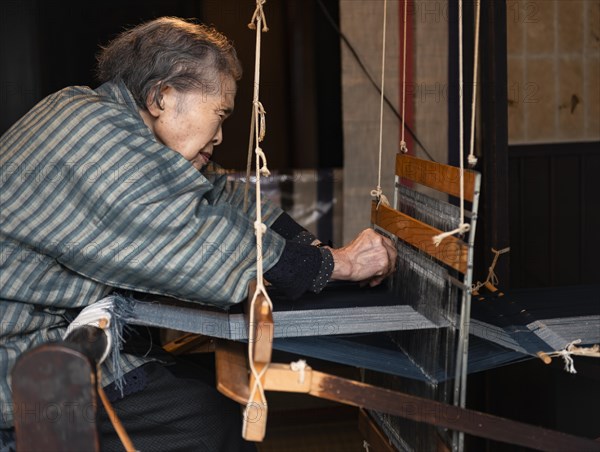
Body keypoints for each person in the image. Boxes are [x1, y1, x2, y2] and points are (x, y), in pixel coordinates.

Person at [0, 17, 396, 451]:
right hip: (23, 360)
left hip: (59, 340)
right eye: (220, 114)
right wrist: (341, 265)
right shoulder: (92, 136)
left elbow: (222, 196)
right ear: (163, 97)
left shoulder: (102, 119)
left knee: (206, 394)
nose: (221, 135)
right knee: (207, 421)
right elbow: (193, 240)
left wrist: (314, 249)